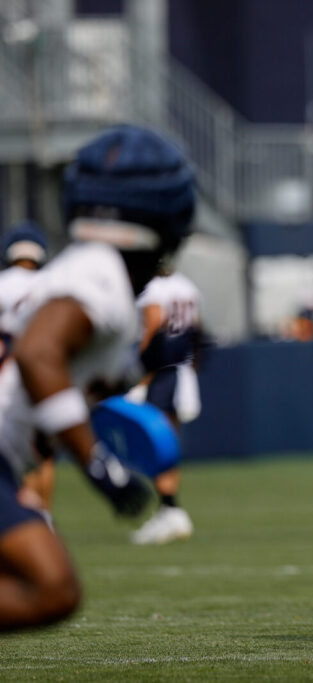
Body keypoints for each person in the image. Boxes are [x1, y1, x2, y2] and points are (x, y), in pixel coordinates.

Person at [0, 124, 195, 630]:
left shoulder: (89, 272)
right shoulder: (99, 273)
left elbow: (64, 373)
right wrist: (96, 462)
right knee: (51, 588)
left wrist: (130, 374)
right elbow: (38, 354)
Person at [125, 269, 203, 544]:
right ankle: (169, 509)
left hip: (162, 372)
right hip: (182, 370)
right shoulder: (187, 285)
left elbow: (154, 324)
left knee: (155, 442)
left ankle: (169, 508)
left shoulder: (153, 288)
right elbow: (198, 330)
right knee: (168, 441)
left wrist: (140, 371)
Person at [0, 222, 56, 513]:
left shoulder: (2, 283)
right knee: (43, 454)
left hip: (8, 377)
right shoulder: (53, 284)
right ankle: (43, 516)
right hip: (47, 373)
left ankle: (23, 519)